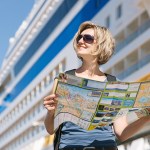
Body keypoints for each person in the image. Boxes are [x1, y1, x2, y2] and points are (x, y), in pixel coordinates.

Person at [43, 21, 150, 150]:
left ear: (101, 44)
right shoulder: (64, 79)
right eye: (79, 37)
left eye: (87, 38)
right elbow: (50, 129)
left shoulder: (114, 83)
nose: (81, 41)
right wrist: (50, 112)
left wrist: (146, 117)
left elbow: (121, 133)